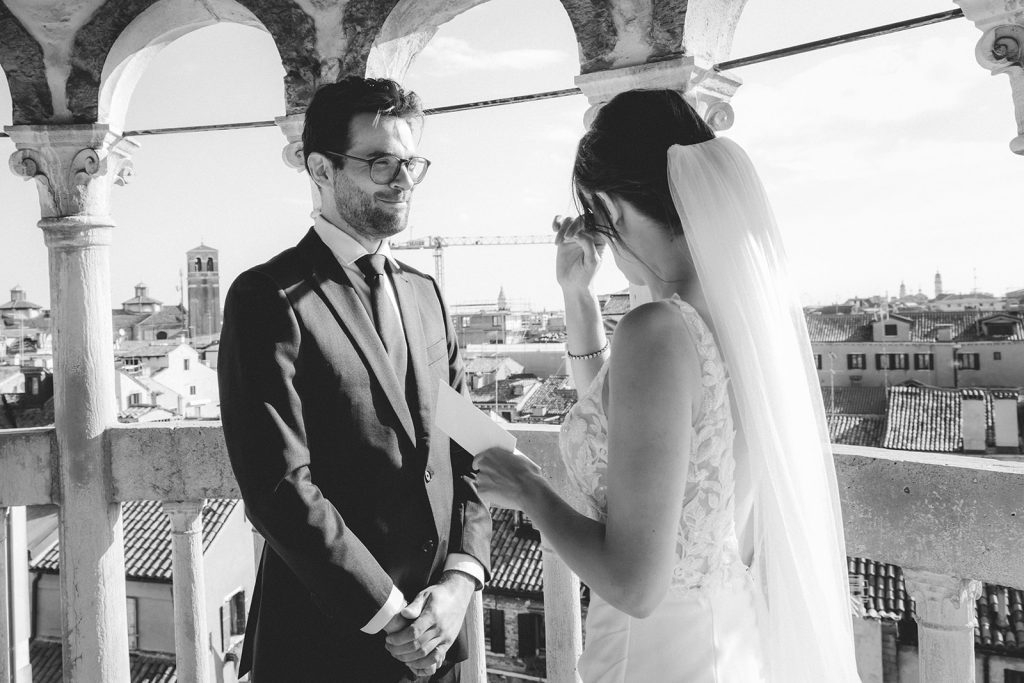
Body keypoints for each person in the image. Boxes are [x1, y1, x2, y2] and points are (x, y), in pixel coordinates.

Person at [474, 89, 861, 682]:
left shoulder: (657, 329)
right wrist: (578, 297)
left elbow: (634, 585)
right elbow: (629, 424)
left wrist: (529, 489)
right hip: (726, 636)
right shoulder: (744, 319)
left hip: (654, 654)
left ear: (610, 206)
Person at [218, 76, 491, 682]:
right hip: (325, 644)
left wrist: (461, 580)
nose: (402, 180)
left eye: (411, 164)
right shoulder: (268, 296)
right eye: (380, 162)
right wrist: (392, 615)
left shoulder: (426, 294)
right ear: (321, 168)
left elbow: (469, 446)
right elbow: (277, 486)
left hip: (440, 638)